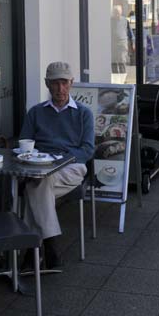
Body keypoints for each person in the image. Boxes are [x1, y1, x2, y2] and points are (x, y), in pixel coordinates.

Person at [19, 62, 94, 270]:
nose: (60, 89)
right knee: (40, 184)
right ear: (46, 84)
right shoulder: (35, 112)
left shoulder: (83, 114)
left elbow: (87, 150)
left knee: (35, 186)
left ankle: (33, 249)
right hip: (40, 168)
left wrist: (59, 161)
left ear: (71, 83)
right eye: (55, 83)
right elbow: (24, 143)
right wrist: (37, 158)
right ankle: (47, 248)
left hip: (72, 167)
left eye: (64, 83)